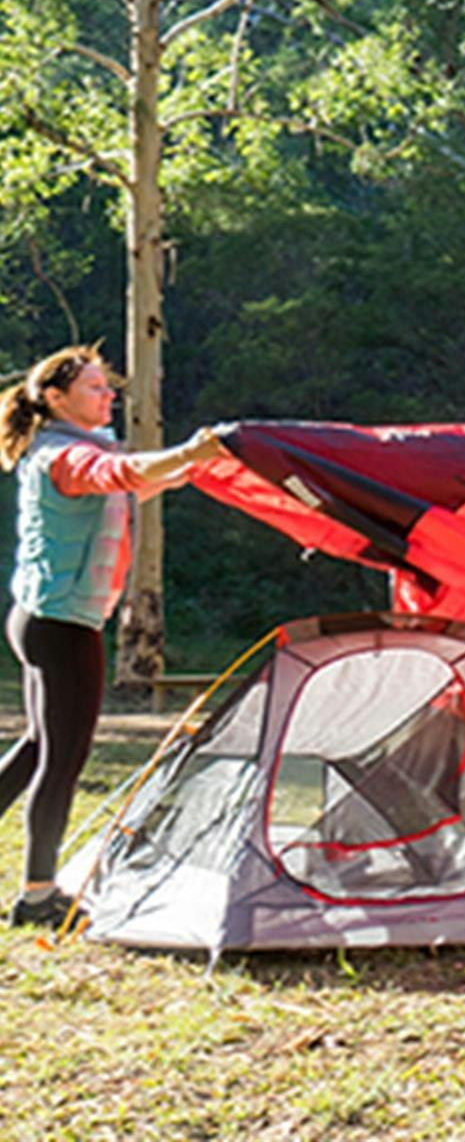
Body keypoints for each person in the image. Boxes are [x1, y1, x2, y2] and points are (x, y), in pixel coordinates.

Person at [0, 344, 223, 928]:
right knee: (62, 760)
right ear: (56, 398)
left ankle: (37, 890)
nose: (109, 396)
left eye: (108, 388)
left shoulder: (62, 449)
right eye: (96, 388)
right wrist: (185, 452)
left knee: (36, 750)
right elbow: (114, 475)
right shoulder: (64, 455)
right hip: (62, 625)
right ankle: (38, 896)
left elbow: (122, 486)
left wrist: (183, 469)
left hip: (43, 618)